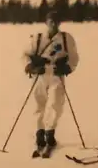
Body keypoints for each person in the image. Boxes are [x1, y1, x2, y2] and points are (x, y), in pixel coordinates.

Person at [23, 11, 80, 156]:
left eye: (56, 21)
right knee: (39, 104)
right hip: (40, 74)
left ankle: (50, 133)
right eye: (50, 21)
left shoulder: (66, 38)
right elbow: (25, 55)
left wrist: (67, 67)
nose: (53, 24)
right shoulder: (38, 38)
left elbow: (74, 57)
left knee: (56, 103)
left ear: (59, 22)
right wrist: (31, 66)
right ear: (46, 22)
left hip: (56, 74)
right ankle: (40, 134)